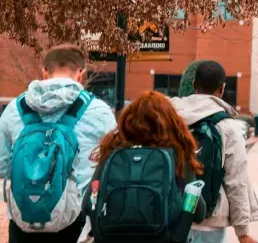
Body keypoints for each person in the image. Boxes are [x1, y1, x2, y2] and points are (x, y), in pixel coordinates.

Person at [0, 44, 116, 243]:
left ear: (44, 72)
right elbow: (111, 168)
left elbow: (2, 165)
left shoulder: (14, 109)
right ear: (81, 73)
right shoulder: (99, 112)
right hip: (76, 221)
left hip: (23, 219)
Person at [81, 91, 206, 243]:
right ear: (170, 122)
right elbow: (199, 213)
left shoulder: (113, 152)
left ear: (128, 120)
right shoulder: (177, 155)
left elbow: (88, 203)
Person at [170, 61, 258, 243]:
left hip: (174, 214)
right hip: (211, 220)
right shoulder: (227, 126)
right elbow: (237, 181)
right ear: (222, 88)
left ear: (194, 85)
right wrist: (242, 232)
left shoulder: (172, 118)